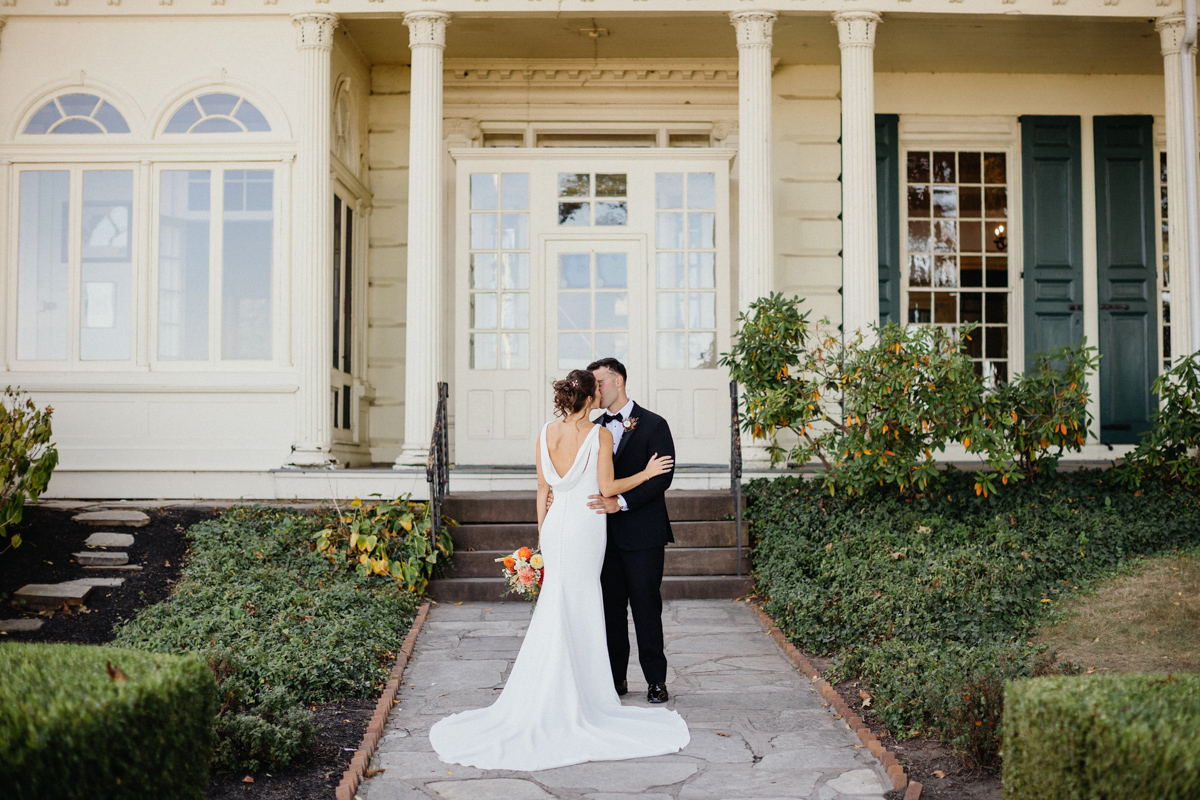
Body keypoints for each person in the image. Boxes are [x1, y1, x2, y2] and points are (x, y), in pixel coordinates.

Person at [429, 369, 690, 771]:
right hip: (587, 527)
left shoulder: (545, 433)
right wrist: (646, 473)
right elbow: (606, 489)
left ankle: (567, 685)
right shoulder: (599, 434)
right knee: (586, 603)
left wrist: (542, 535)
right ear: (589, 398)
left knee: (562, 603)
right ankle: (590, 691)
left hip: (555, 528)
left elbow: (542, 488)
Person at [585, 357, 677, 705]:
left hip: (644, 536)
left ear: (618, 381)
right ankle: (615, 680)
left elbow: (663, 477)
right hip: (602, 537)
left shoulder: (655, 425)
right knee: (610, 612)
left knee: (645, 609)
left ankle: (656, 681)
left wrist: (619, 502)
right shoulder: (592, 428)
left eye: (600, 383)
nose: (596, 391)